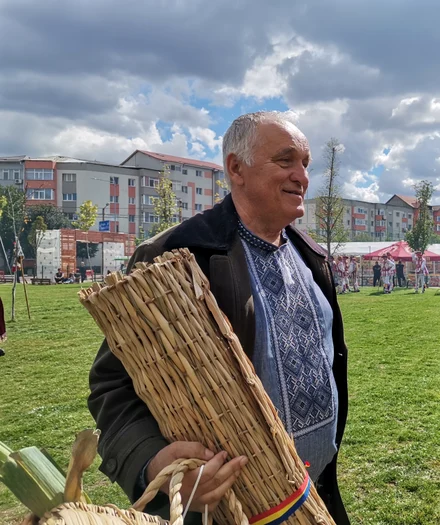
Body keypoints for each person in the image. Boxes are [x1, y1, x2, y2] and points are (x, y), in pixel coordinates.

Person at [88, 111, 350, 525]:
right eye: (285, 161)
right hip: (232, 511)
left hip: (316, 499)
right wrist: (154, 465)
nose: (301, 176)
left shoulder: (311, 255)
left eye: (306, 164)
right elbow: (113, 387)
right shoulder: (178, 255)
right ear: (235, 168)